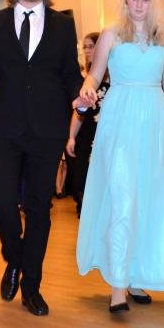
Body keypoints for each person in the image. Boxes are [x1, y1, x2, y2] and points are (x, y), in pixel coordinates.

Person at [0, 0, 85, 317]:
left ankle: (31, 286)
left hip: (47, 130)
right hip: (4, 128)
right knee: (3, 204)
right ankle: (14, 259)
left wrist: (80, 96)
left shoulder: (63, 25)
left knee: (38, 209)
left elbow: (70, 74)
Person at [76, 0, 164, 314]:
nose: (140, 5)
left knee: (148, 200)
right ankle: (118, 284)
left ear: (154, 3)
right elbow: (95, 73)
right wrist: (87, 88)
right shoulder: (111, 34)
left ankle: (136, 275)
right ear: (125, 1)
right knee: (122, 198)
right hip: (120, 119)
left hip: (154, 122)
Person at [66, 32, 107, 217]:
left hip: (107, 134)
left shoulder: (113, 76)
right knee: (81, 177)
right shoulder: (84, 78)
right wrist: (71, 137)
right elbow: (78, 112)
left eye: (91, 46)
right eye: (85, 47)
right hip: (87, 133)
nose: (87, 51)